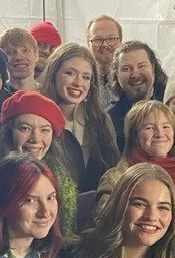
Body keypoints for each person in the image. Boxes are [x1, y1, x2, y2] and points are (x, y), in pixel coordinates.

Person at [0, 90, 78, 237]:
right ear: (9, 131)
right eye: (25, 128)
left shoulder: (60, 176)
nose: (35, 139)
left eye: (44, 130)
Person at [93, 101, 175, 249]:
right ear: (134, 136)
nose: (160, 134)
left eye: (166, 126)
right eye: (149, 127)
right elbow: (105, 227)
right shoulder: (116, 179)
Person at [38, 42, 120, 191]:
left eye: (86, 77)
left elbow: (112, 169)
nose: (78, 83)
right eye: (70, 73)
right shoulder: (36, 118)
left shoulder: (101, 120)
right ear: (54, 73)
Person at [105, 41, 168, 150]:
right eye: (127, 69)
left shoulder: (170, 105)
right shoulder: (109, 118)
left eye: (141, 66)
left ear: (153, 68)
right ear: (117, 75)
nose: (135, 74)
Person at [86, 15, 124, 106]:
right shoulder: (81, 79)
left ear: (121, 42)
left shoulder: (131, 76)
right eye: (98, 40)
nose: (105, 45)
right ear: (88, 44)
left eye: (111, 39)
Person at [0, 28, 40, 93]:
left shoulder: (51, 94)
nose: (19, 57)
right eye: (10, 52)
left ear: (36, 55)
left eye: (25, 50)